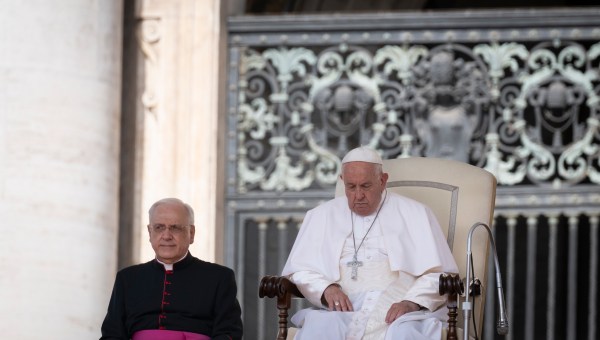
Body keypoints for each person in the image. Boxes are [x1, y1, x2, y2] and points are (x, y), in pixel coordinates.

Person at [281, 146, 458, 339]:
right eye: (351, 187)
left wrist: (411, 302)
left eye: (365, 186)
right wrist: (326, 288)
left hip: (399, 310)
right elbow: (300, 270)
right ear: (342, 182)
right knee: (321, 327)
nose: (358, 196)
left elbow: (440, 274)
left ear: (382, 181)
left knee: (405, 333)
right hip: (342, 311)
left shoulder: (416, 213)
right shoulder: (321, 215)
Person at [100, 198, 243, 340]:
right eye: (159, 227)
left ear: (191, 234)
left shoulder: (219, 277)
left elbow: (229, 333)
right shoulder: (127, 278)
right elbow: (112, 334)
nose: (167, 236)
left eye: (175, 228)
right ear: (150, 233)